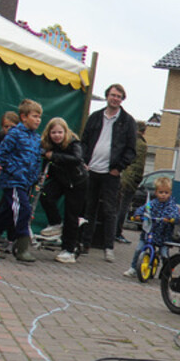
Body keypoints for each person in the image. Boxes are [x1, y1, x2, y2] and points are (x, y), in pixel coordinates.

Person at [79, 84, 137, 263]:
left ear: (122, 99)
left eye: (119, 96)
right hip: (92, 169)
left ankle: (108, 247)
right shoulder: (95, 117)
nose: (115, 99)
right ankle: (85, 243)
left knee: (110, 211)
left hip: (111, 173)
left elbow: (131, 149)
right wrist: (84, 161)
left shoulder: (128, 121)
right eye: (113, 95)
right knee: (89, 208)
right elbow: (84, 141)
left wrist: (118, 167)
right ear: (107, 96)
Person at [0, 99, 43, 263]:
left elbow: (37, 159)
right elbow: (2, 154)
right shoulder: (14, 134)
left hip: (27, 182)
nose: (38, 120)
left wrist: (34, 176)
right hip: (14, 181)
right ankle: (22, 247)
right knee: (23, 210)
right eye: (35, 116)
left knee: (6, 212)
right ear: (24, 117)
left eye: (39, 117)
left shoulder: (37, 138)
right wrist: (14, 171)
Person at [37, 118, 87, 264]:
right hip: (60, 180)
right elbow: (45, 162)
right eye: (54, 132)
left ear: (65, 132)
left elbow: (76, 159)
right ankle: (55, 223)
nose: (57, 135)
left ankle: (69, 250)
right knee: (45, 195)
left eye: (60, 132)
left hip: (76, 182)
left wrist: (54, 156)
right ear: (48, 133)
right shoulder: (47, 145)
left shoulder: (73, 143)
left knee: (71, 215)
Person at [123, 176, 179, 278]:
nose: (163, 195)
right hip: (149, 233)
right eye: (161, 192)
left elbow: (176, 215)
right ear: (156, 193)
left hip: (163, 235)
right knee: (139, 249)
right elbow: (143, 208)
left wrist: (170, 218)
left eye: (166, 193)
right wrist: (137, 215)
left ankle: (166, 272)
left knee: (164, 254)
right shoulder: (152, 204)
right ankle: (133, 268)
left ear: (170, 193)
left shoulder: (171, 205)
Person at [114, 121, 148, 244]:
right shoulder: (140, 144)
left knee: (117, 206)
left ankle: (113, 232)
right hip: (129, 180)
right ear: (143, 131)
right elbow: (138, 166)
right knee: (123, 207)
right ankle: (117, 233)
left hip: (122, 177)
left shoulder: (127, 140)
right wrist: (136, 180)